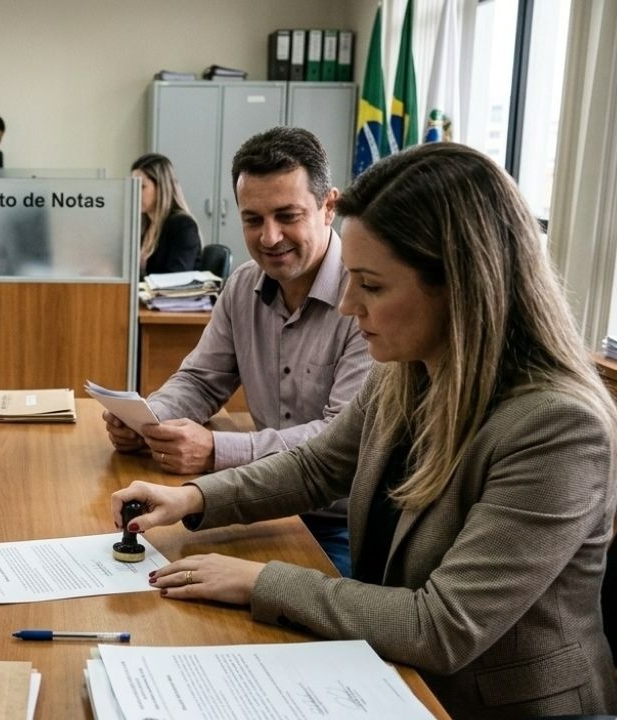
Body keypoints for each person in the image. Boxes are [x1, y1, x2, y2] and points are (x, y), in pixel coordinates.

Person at [113, 143, 617, 719]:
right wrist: (191, 498)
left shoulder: (558, 427)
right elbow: (317, 465)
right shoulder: (409, 370)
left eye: (372, 286)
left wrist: (259, 581)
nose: (349, 305)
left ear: (463, 287)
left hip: (490, 703)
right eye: (350, 280)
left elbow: (443, 626)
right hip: (389, 671)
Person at [104, 128, 370, 577]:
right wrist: (151, 421)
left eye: (287, 216)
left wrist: (215, 451)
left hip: (341, 524)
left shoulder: (365, 296)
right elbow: (202, 379)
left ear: (329, 208)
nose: (269, 237)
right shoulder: (244, 285)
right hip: (259, 505)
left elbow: (336, 443)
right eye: (253, 219)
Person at [131, 153, 201, 275]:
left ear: (161, 187)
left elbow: (176, 277)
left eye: (142, 186)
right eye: (132, 185)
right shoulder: (143, 224)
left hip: (170, 294)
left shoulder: (183, 225)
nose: (134, 192)